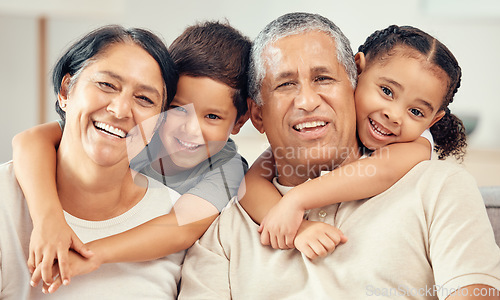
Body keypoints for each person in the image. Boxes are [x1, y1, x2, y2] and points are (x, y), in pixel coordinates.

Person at [178, 12, 500, 299]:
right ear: (257, 115)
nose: (307, 101)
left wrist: (297, 199)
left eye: (323, 78)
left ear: (354, 83)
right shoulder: (223, 231)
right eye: (286, 84)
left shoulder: (439, 186)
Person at [10, 21, 250, 293]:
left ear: (240, 122)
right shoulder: (135, 130)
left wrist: (90, 254)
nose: (190, 128)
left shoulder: (228, 170)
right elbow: (29, 140)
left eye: (212, 116)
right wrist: (49, 220)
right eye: (177, 109)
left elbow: (178, 229)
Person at [242, 24, 468, 254]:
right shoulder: (319, 133)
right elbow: (251, 184)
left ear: (432, 120)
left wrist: (297, 200)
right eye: (387, 91)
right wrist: (298, 227)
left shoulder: (417, 144)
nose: (394, 115)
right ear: (357, 70)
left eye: (416, 112)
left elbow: (379, 171)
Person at [0, 25, 187, 299]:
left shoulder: (176, 218)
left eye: (145, 99)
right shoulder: (6, 199)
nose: (121, 110)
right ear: (66, 91)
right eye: (107, 84)